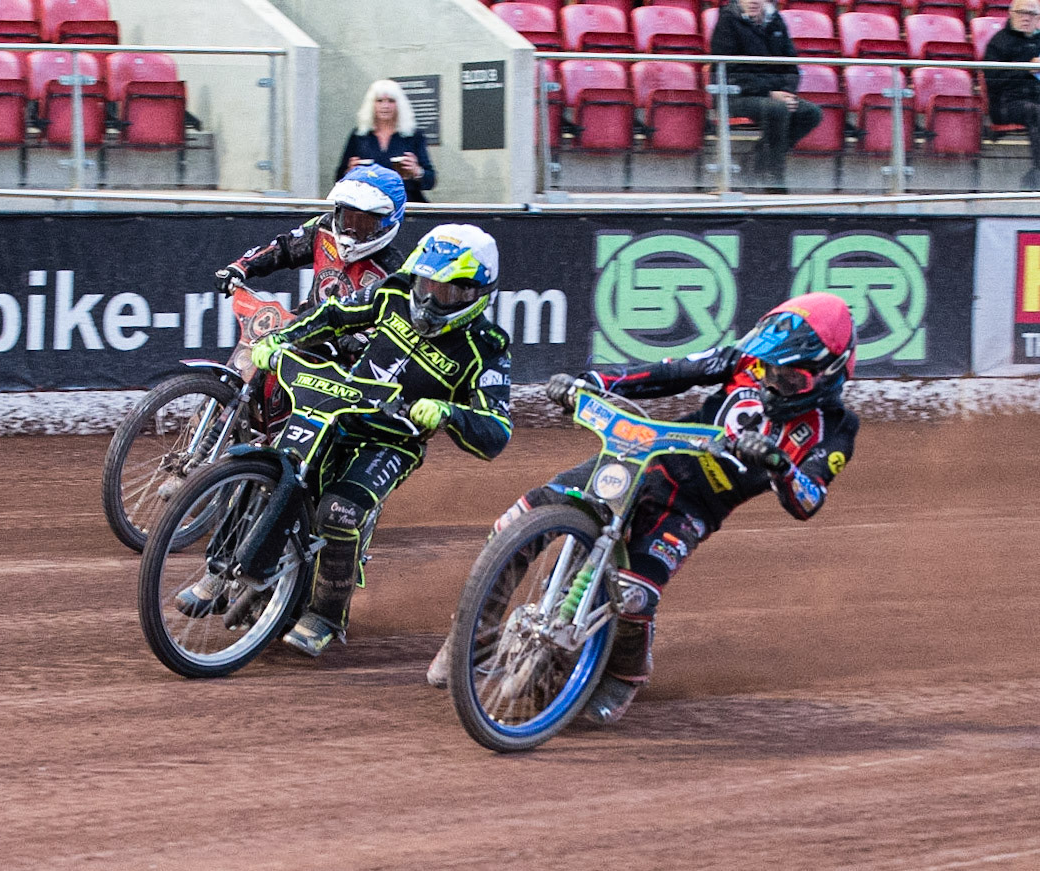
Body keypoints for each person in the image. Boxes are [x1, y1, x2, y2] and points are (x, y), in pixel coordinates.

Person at [427, 293, 860, 728]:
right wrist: (597, 382)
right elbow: (672, 373)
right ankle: (474, 638)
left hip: (692, 504)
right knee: (517, 522)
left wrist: (777, 463)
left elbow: (808, 500)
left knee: (634, 594)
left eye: (790, 380)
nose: (771, 383)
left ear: (829, 374)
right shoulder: (742, 360)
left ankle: (621, 676)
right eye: (768, 370)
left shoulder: (837, 427)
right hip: (643, 456)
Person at [180, 224, 513, 657]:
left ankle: (325, 616)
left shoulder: (486, 347)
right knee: (270, 463)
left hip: (393, 439)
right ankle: (218, 572)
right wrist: (280, 340)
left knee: (338, 511)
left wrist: (449, 413)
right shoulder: (394, 293)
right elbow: (334, 314)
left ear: (476, 293)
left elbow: (497, 428)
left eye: (446, 292)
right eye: (426, 284)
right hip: (340, 406)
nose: (429, 300)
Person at [213, 163, 408, 311]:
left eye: (363, 224)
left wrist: (362, 338)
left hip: (346, 355)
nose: (350, 231)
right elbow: (284, 248)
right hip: (305, 327)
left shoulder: (393, 271)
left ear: (386, 223)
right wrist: (240, 268)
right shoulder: (323, 228)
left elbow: (393, 328)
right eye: (346, 219)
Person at [709, 0, 820, 193]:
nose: (753, 1)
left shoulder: (775, 20)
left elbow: (791, 66)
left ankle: (758, 160)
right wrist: (769, 93)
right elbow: (730, 72)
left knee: (812, 113)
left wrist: (786, 92)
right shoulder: (727, 21)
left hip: (774, 95)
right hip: (735, 95)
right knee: (777, 109)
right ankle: (774, 178)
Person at [335, 79, 436, 203]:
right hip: (368, 206)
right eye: (379, 101)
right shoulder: (359, 136)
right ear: (371, 105)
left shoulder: (413, 136)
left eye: (391, 101)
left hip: (406, 205)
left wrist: (417, 171)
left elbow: (430, 181)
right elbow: (338, 179)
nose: (385, 106)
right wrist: (349, 172)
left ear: (399, 105)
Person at [984, 0, 1040, 190]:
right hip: (1005, 103)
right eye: (1021, 12)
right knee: (1035, 112)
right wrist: (1027, 69)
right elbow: (993, 80)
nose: (1026, 17)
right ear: (1011, 13)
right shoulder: (999, 42)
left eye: (1032, 14)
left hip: (1035, 99)